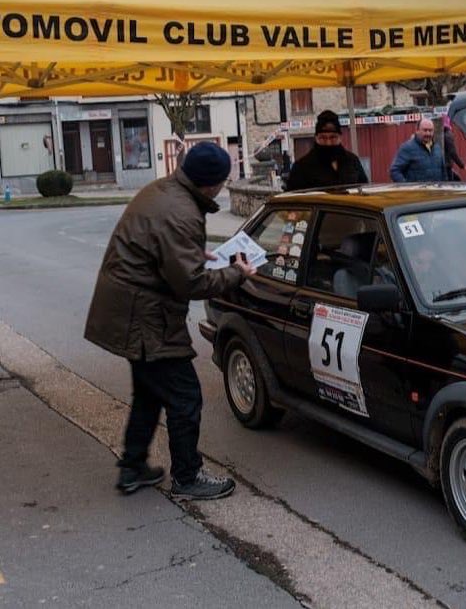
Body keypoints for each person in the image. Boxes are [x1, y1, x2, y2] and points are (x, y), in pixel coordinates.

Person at [84, 142, 256, 501]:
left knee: (149, 393)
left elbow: (167, 251)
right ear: (213, 185)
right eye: (224, 180)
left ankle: (132, 468)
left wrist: (195, 254)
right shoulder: (181, 212)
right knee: (185, 396)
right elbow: (192, 283)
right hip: (145, 317)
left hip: (132, 309)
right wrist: (237, 273)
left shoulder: (163, 190)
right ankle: (187, 477)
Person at [286, 110, 368, 191]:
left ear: (340, 137)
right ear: (316, 138)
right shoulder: (301, 167)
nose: (328, 143)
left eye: (333, 137)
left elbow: (364, 189)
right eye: (323, 138)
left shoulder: (353, 161)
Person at [390, 118, 447, 183]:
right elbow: (394, 171)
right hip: (417, 192)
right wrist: (407, 187)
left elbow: (443, 173)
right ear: (417, 131)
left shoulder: (437, 148)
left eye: (430, 130)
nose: (428, 133)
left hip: (435, 192)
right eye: (425, 130)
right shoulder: (407, 148)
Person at [442, 115, 465, 181]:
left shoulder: (439, 134)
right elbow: (452, 151)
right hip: (447, 165)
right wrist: (461, 165)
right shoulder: (447, 134)